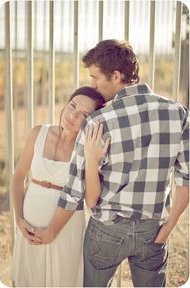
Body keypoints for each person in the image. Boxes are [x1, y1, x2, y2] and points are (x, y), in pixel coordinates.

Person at [34, 39, 189, 287]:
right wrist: (168, 228)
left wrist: (50, 231)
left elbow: (76, 192)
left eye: (96, 78)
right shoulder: (177, 112)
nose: (93, 84)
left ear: (116, 76)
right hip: (154, 231)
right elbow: (186, 179)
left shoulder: (97, 121)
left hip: (106, 231)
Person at [10, 86, 108, 287]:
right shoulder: (38, 132)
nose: (72, 115)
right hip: (29, 229)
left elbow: (91, 199)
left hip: (66, 232)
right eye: (72, 105)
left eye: (84, 114)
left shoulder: (87, 149)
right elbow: (18, 177)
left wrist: (91, 158)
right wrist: (18, 219)